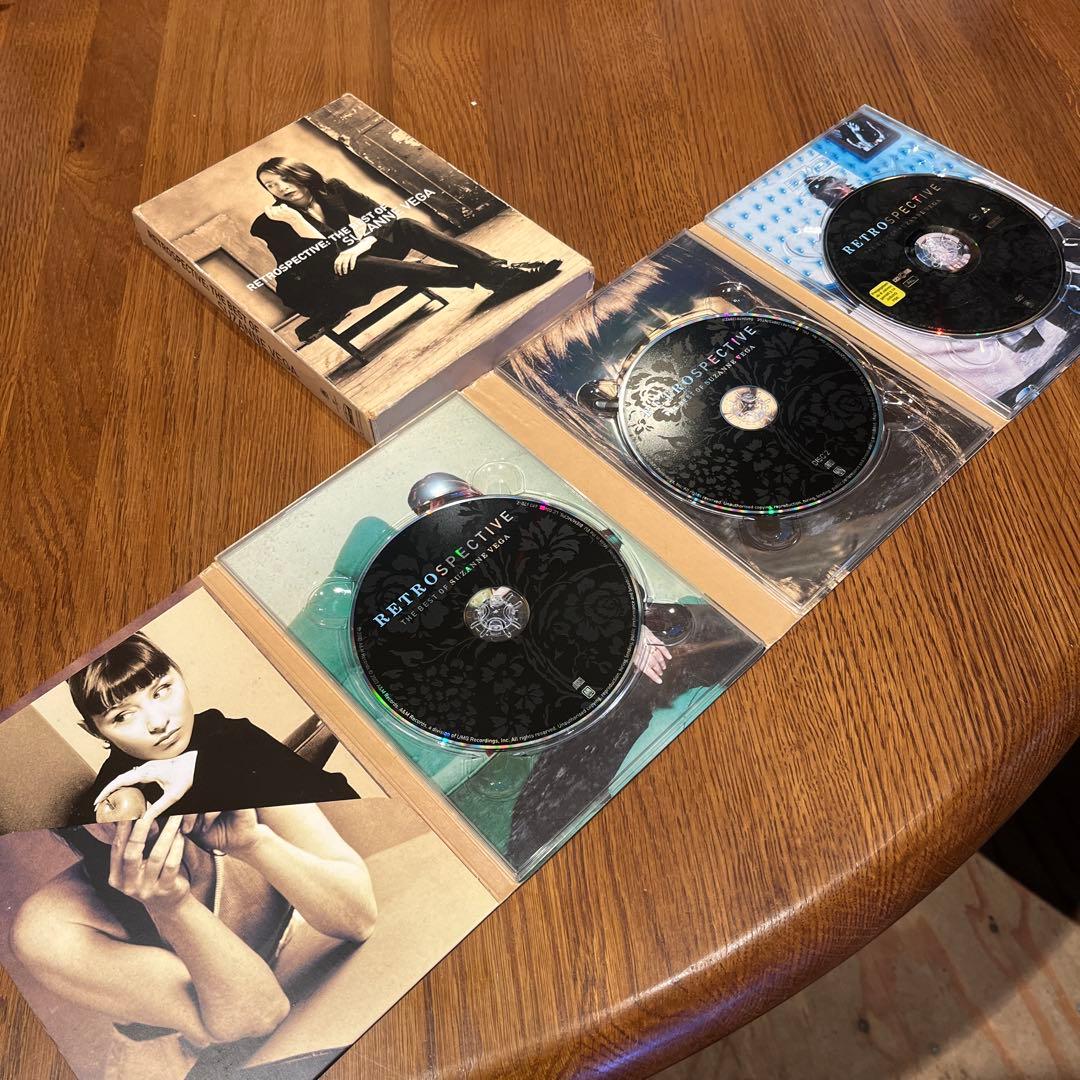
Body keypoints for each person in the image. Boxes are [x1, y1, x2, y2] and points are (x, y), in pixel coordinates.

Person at [10, 634, 377, 1057]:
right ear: (95, 731)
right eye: (123, 715)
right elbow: (259, 1016)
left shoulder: (231, 744)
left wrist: (253, 841)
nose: (159, 722)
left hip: (320, 968)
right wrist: (171, 906)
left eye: (162, 690)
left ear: (180, 677)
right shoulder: (61, 910)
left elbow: (359, 919)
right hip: (203, 1043)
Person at [250, 158, 562, 318]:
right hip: (326, 289)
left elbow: (384, 215)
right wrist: (297, 223)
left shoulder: (332, 189)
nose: (280, 188)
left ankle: (495, 272)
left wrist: (362, 243)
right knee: (361, 263)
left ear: (301, 173)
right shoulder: (272, 223)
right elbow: (322, 262)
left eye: (284, 178)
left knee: (406, 226)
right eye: (270, 185)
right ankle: (492, 275)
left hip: (362, 261)